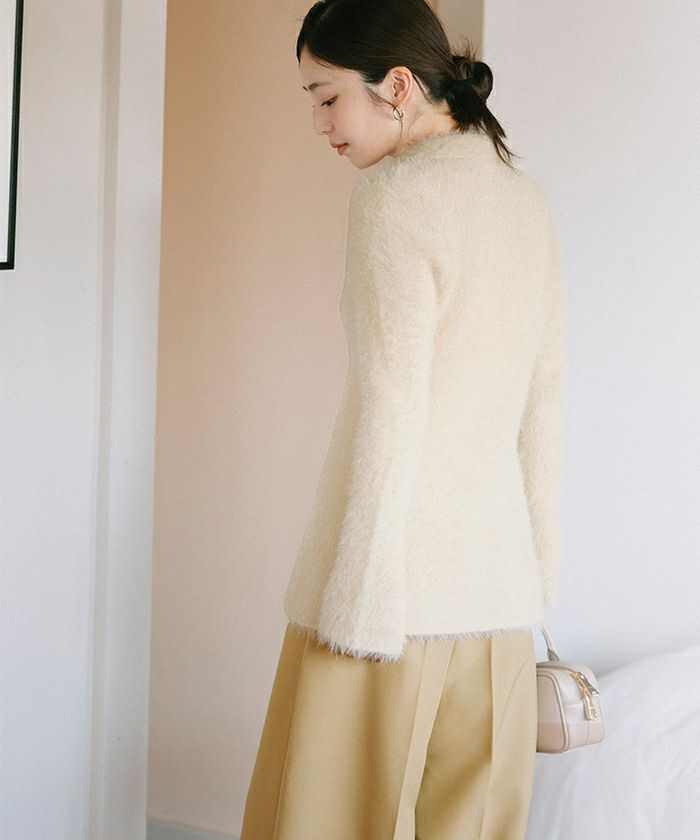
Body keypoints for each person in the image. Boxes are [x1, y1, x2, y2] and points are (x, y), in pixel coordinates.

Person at [240, 0, 566, 837]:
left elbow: (392, 407)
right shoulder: (525, 201)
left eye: (326, 97)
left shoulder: (394, 199)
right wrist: (535, 577)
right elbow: (545, 402)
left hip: (388, 598)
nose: (319, 124)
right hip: (496, 603)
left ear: (396, 86)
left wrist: (360, 602)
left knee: (329, 820)